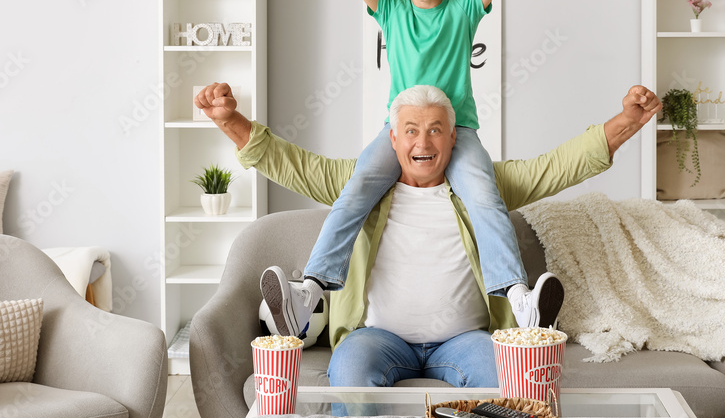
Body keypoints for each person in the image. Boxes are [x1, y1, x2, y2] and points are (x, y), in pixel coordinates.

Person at [262, 0, 573, 337]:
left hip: (457, 132)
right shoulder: (390, 7)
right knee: (357, 189)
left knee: (485, 198)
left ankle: (518, 297)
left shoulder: (464, 8)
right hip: (401, 133)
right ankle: (309, 290)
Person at [195, 82, 661, 387]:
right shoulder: (363, 186)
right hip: (375, 337)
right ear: (392, 139)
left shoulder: (481, 189)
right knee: (351, 379)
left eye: (436, 130)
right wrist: (228, 121)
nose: (424, 142)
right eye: (411, 131)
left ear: (454, 139)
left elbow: (554, 168)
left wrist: (625, 124)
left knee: (507, 386)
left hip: (465, 340)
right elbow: (293, 164)